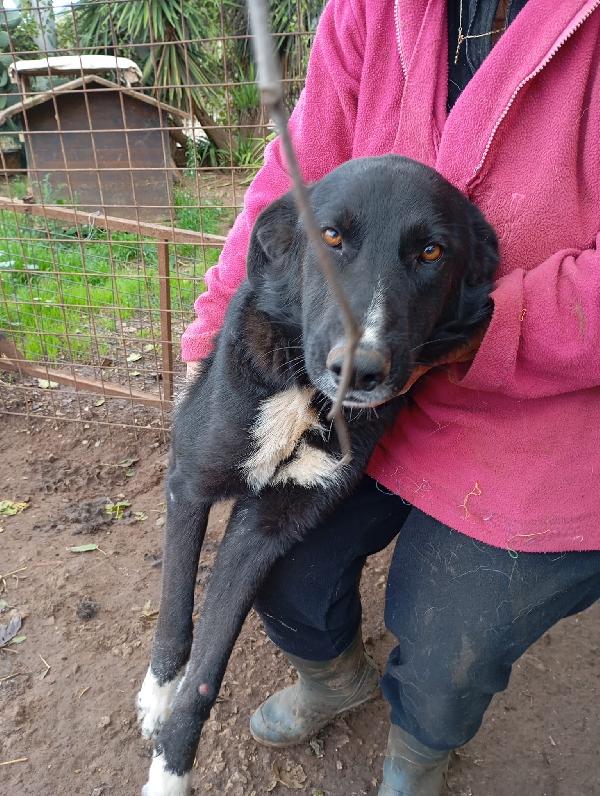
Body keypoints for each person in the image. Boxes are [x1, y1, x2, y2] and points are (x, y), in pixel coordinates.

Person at [181, 1, 600, 793]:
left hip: (549, 402)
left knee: (452, 638)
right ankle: (333, 677)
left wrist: (471, 332)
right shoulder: (369, 9)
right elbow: (295, 177)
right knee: (277, 564)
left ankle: (418, 752)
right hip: (359, 383)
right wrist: (212, 335)